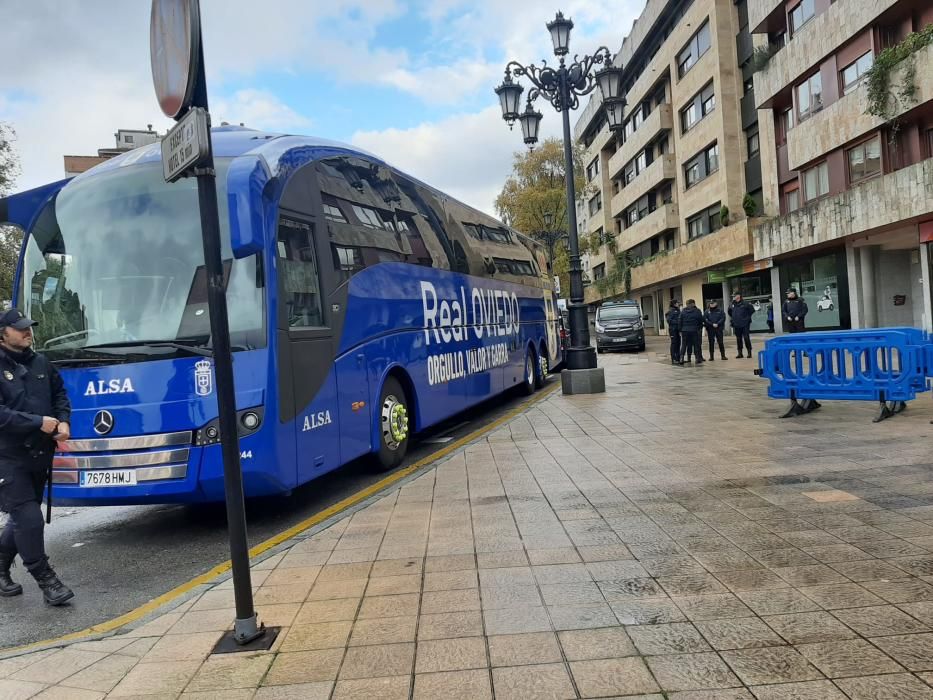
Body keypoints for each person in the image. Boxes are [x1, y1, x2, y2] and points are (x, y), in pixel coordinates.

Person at [0, 309, 74, 605]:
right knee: (30, 520)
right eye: (20, 329)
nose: (27, 332)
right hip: (7, 457)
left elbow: (59, 395)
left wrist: (63, 421)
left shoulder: (41, 362)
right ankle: (47, 581)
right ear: (3, 333)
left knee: (22, 518)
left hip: (39, 455)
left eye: (28, 327)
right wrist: (37, 423)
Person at [728, 292, 755, 358]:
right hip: (736, 324)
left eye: (734, 296)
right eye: (733, 296)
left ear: (739, 296)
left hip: (745, 324)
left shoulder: (745, 303)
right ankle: (740, 353)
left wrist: (747, 318)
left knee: (746, 338)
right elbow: (729, 312)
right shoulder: (732, 304)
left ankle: (749, 353)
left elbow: (752, 310)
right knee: (738, 339)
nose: (733, 297)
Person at [678, 299, 705, 365]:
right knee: (696, 344)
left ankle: (681, 358)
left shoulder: (683, 311)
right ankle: (697, 358)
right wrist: (699, 328)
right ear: (693, 304)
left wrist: (680, 330)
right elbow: (700, 320)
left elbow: (680, 321)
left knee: (684, 345)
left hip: (685, 330)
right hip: (694, 330)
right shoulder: (697, 311)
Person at [665, 299, 682, 365]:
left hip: (678, 330)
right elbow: (669, 320)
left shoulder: (678, 310)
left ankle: (678, 357)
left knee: (678, 343)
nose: (678, 304)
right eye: (677, 303)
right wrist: (678, 322)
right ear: (674, 304)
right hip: (673, 330)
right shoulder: (670, 311)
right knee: (674, 343)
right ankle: (673, 358)